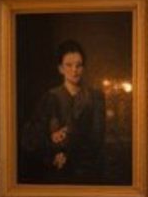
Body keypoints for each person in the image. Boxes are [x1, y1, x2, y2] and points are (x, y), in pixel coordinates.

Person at [20, 39, 107, 183]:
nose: (74, 70)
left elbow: (96, 138)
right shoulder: (50, 97)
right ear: (60, 68)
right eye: (69, 65)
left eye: (78, 65)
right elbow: (32, 137)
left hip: (86, 171)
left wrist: (68, 149)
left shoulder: (95, 97)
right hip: (56, 171)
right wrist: (52, 151)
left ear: (83, 68)